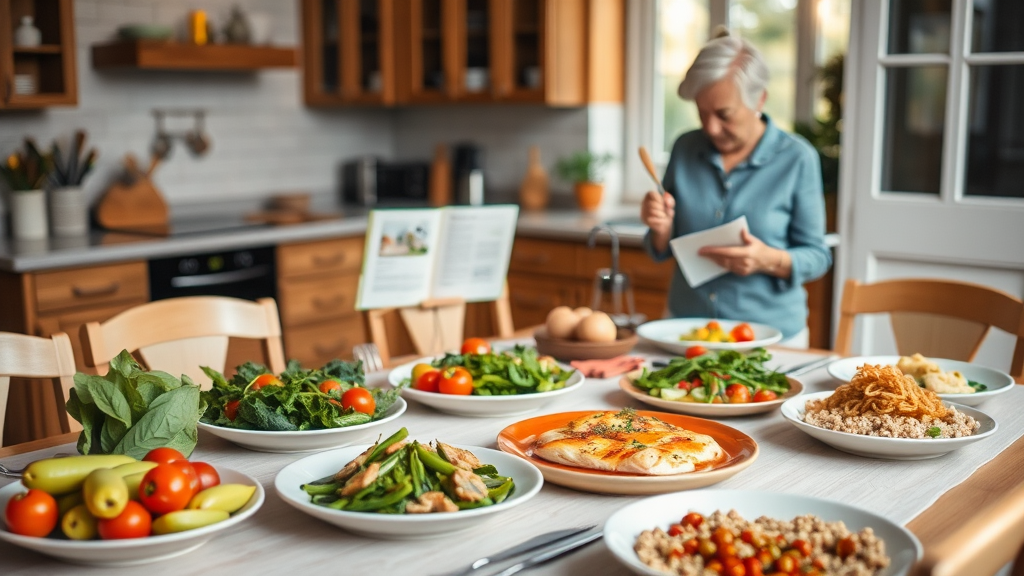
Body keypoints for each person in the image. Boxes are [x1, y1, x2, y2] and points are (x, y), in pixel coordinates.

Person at [641, 29, 832, 348]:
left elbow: (817, 256)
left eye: (724, 114)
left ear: (760, 99)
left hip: (770, 338)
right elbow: (661, 248)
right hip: (687, 332)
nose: (711, 127)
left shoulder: (797, 158)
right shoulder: (685, 148)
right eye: (702, 113)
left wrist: (768, 259)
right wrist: (660, 228)